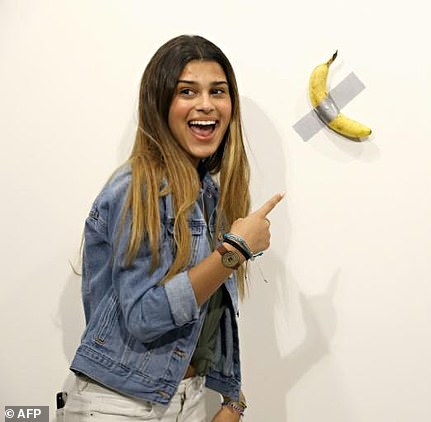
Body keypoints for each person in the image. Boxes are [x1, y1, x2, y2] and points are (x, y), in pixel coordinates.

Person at [60, 34, 283, 421]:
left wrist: (233, 401)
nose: (206, 105)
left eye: (218, 91)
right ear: (160, 103)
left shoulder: (208, 193)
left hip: (185, 400)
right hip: (119, 405)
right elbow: (145, 318)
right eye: (187, 91)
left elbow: (208, 315)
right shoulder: (138, 187)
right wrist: (234, 252)